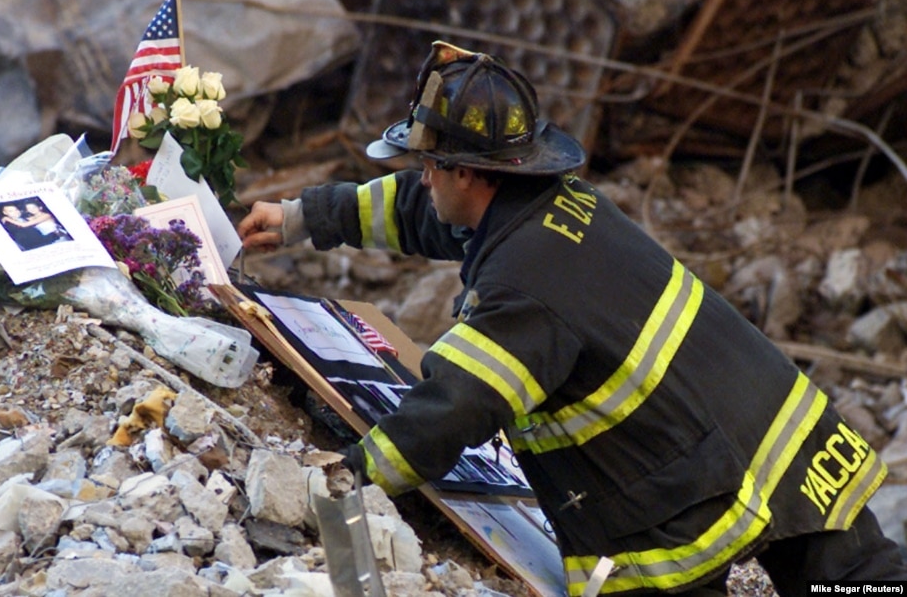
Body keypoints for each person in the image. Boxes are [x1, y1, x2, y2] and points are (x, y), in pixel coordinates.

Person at [238, 40, 907, 595]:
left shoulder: (524, 287)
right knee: (863, 582)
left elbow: (454, 408)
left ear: (468, 172)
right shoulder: (555, 203)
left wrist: (349, 474)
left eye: (428, 165)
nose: (422, 179)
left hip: (683, 488)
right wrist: (306, 218)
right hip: (786, 434)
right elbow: (433, 215)